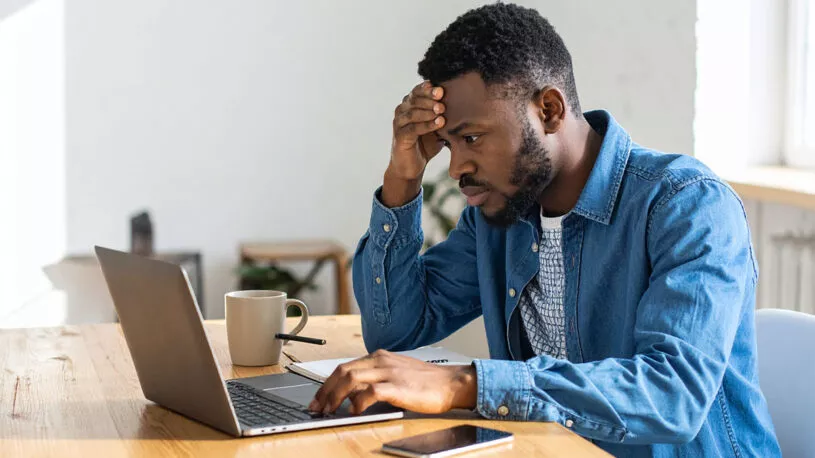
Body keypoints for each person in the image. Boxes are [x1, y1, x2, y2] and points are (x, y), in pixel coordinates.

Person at [309, 3, 780, 456]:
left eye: (471, 138)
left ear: (550, 110)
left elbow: (672, 396)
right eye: (447, 143)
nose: (455, 168)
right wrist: (402, 177)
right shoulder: (500, 216)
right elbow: (397, 330)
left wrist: (465, 382)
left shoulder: (687, 204)